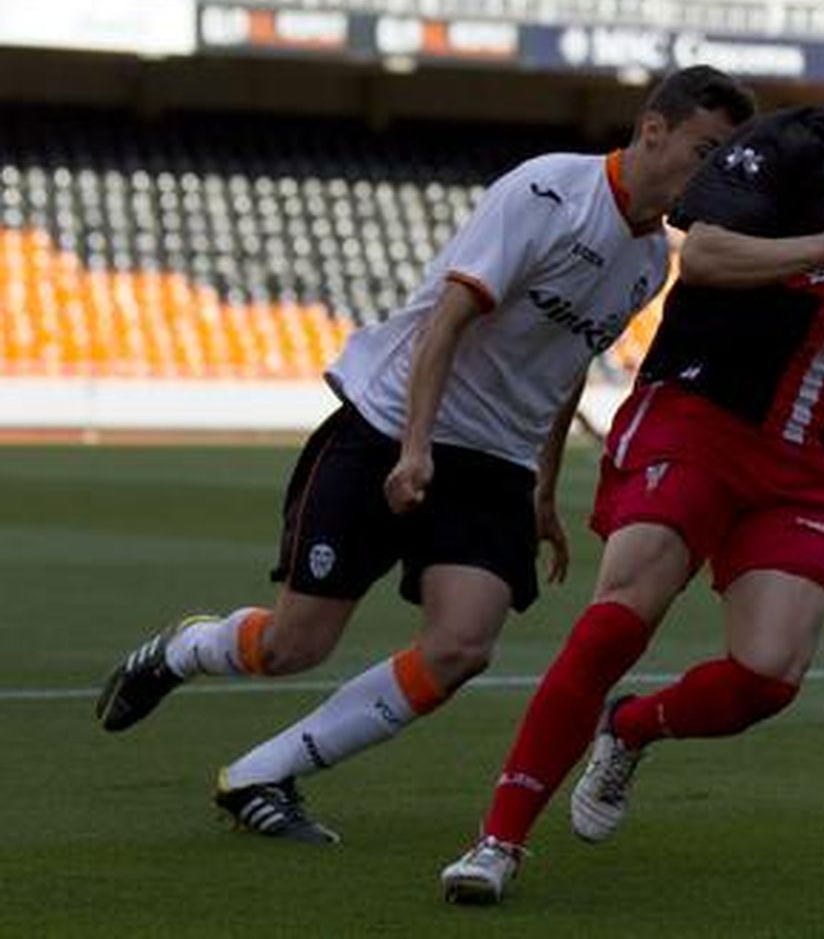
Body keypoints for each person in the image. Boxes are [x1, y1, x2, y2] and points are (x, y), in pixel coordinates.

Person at [439, 0, 824, 904]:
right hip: (701, 418)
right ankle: (497, 845)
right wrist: (821, 244)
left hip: (810, 455)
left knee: (770, 673)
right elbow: (700, 259)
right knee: (626, 606)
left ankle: (631, 731)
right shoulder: (776, 148)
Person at [92, 66, 756, 842]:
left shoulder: (651, 265)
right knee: (294, 644)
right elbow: (446, 318)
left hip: (496, 462)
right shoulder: (547, 193)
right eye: (706, 151)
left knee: (461, 646)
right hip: (390, 423)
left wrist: (543, 487)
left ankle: (263, 775)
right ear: (654, 131)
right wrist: (412, 450)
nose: (713, 175)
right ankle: (186, 648)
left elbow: (566, 363)